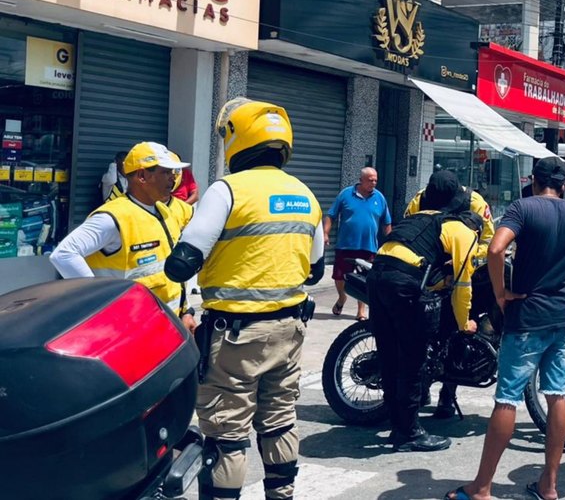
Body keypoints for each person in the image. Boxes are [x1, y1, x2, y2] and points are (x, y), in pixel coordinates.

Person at [164, 98, 325, 500]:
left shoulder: (227, 190)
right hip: (290, 331)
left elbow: (182, 263)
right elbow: (316, 268)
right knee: (279, 422)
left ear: (236, 140)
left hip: (234, 337)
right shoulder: (305, 193)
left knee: (227, 433)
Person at [447, 156, 565, 500]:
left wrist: (501, 293)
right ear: (564, 185)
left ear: (535, 181)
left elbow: (496, 248)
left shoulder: (524, 208)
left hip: (527, 316)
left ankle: (482, 487)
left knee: (506, 399)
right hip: (563, 317)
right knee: (557, 394)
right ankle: (549, 485)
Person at [366, 170, 483, 452]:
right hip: (405, 286)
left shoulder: (415, 218)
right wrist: (462, 322)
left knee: (390, 357)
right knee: (411, 360)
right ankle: (409, 434)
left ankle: (398, 425)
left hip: (377, 276)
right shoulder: (460, 230)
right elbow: (463, 285)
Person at [53, 142, 195, 327]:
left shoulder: (165, 211)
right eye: (166, 172)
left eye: (173, 173)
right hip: (131, 329)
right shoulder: (113, 217)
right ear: (142, 176)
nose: (173, 179)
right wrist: (100, 304)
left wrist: (187, 311)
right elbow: (63, 254)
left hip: (169, 325)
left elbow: (171, 273)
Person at [404, 170, 494, 418]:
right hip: (427, 274)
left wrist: (464, 259)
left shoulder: (475, 202)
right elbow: (407, 232)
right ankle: (420, 386)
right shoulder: (419, 200)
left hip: (466, 273)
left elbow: (490, 241)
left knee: (460, 331)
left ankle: (448, 393)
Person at [324, 167, 392, 321]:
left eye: (375, 180)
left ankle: (361, 310)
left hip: (368, 247)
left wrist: (390, 242)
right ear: (361, 180)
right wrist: (326, 233)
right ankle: (342, 298)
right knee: (339, 277)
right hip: (346, 245)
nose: (373, 183)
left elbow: (386, 223)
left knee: (363, 279)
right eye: (370, 180)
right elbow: (331, 215)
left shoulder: (379, 198)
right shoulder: (346, 194)